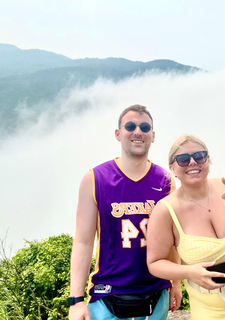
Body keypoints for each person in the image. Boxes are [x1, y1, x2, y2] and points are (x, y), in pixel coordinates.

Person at [69, 105, 182, 320]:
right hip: (108, 296)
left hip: (157, 295)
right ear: (118, 134)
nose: (138, 131)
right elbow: (83, 241)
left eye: (145, 127)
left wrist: (176, 283)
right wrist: (76, 299)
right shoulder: (95, 179)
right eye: (130, 126)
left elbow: (172, 238)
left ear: (153, 136)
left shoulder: (165, 180)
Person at [147, 134, 225, 320]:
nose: (192, 162)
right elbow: (154, 263)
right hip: (211, 310)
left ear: (208, 160)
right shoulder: (165, 211)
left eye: (199, 156)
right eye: (183, 159)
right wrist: (189, 272)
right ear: (173, 168)